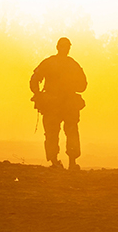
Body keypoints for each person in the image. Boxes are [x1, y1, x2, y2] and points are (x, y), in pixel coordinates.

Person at [30, 37, 87, 169]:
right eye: (63, 46)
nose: (65, 49)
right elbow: (34, 80)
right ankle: (58, 162)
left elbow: (83, 85)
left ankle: (68, 162)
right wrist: (38, 95)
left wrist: (39, 94)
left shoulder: (58, 63)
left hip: (63, 104)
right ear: (58, 47)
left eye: (67, 47)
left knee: (67, 133)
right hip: (56, 104)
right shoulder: (65, 64)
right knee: (55, 133)